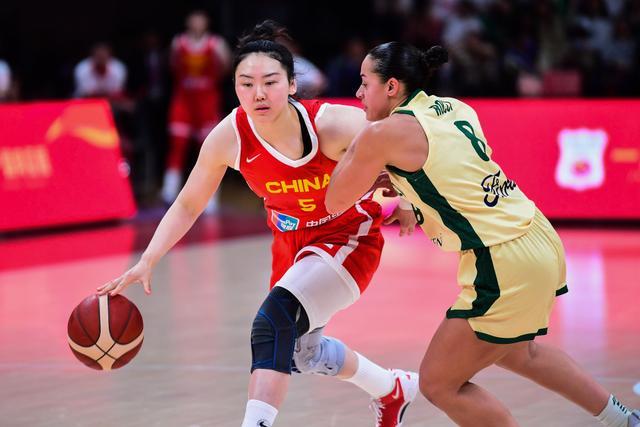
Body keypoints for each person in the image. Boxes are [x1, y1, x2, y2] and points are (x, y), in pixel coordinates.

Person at [98, 22, 419, 427]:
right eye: (246, 84)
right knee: (301, 353)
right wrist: (147, 259)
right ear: (234, 87)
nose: (259, 94)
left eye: (270, 82)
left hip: (348, 236)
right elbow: (188, 204)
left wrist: (407, 199)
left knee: (272, 323)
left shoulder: (333, 124)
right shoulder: (229, 136)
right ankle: (392, 388)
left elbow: (407, 142)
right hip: (291, 244)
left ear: (292, 85)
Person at [325, 42, 640, 427]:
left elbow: (334, 199)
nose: (358, 93)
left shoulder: (382, 133)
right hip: (536, 234)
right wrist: (406, 189)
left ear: (391, 86)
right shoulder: (455, 108)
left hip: (501, 259)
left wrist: (354, 146)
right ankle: (625, 420)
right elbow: (456, 174)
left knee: (439, 383)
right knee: (520, 354)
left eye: (364, 82)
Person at [162, 10, 231, 212]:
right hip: (184, 101)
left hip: (207, 102)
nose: (197, 24)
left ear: (206, 23)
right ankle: (169, 193)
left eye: (201, 20)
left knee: (209, 149)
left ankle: (210, 198)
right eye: (194, 20)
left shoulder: (216, 44)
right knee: (177, 145)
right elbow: (172, 66)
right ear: (188, 22)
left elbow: (226, 68)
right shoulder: (178, 42)